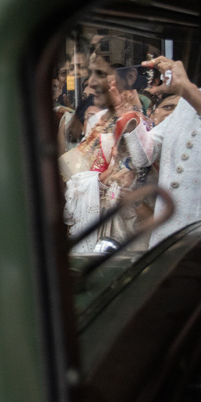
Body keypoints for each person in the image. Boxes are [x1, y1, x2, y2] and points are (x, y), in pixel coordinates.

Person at [121, 42, 201, 247]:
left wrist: (185, 88)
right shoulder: (186, 102)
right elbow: (144, 156)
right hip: (166, 236)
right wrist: (129, 111)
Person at [61, 51, 152, 253]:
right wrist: (97, 182)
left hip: (127, 221)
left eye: (101, 75)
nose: (93, 82)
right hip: (100, 210)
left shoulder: (139, 121)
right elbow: (74, 170)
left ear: (128, 79)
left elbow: (132, 174)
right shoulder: (97, 120)